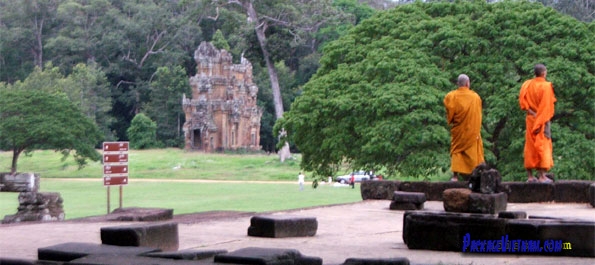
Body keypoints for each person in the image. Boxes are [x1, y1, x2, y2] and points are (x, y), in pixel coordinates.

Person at [443, 74, 485, 181]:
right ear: (467, 83)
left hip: (459, 130)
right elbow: (478, 115)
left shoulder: (451, 96)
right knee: (472, 152)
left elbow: (449, 113)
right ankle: (475, 174)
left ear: (458, 84)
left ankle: (455, 176)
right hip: (472, 130)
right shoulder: (475, 97)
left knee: (457, 151)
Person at [519, 64, 556, 183]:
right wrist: (540, 117)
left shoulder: (527, 84)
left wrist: (533, 113)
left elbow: (523, 103)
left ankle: (530, 176)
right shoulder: (546, 86)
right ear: (544, 73)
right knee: (543, 144)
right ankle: (542, 176)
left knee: (530, 146)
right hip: (542, 120)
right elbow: (546, 106)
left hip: (531, 118)